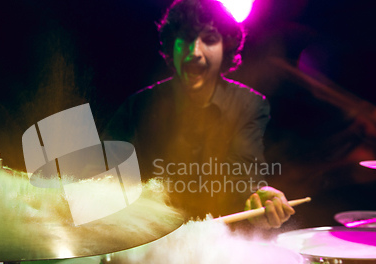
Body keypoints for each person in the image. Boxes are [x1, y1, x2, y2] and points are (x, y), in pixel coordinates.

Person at [105, 0, 294, 230]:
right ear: (170, 46)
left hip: (221, 245)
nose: (194, 52)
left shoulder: (249, 104)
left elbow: (244, 175)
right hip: (151, 244)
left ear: (226, 47)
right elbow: (102, 177)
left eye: (210, 40)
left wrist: (258, 198)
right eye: (184, 38)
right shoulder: (138, 107)